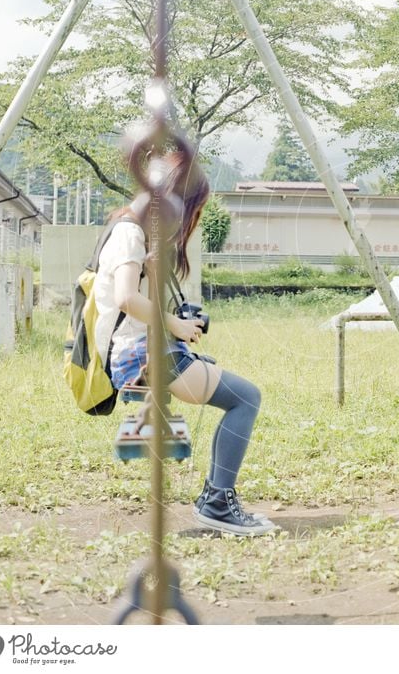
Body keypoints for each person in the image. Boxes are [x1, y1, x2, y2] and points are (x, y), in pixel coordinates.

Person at [91, 151, 274, 536]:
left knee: (241, 396)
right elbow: (126, 298)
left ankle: (217, 499)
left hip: (149, 351)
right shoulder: (129, 233)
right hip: (141, 357)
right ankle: (218, 504)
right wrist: (174, 321)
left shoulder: (134, 233)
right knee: (245, 398)